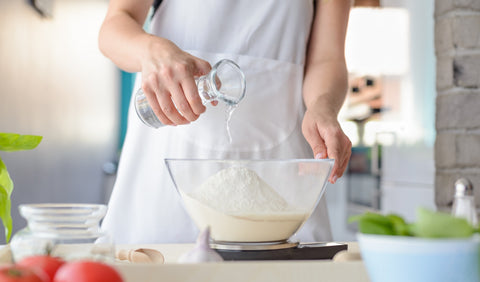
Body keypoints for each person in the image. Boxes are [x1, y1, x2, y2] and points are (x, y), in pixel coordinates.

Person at [98, 0, 352, 244]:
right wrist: (152, 51)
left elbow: (327, 59)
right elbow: (114, 26)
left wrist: (323, 105)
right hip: (166, 182)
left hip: (283, 184)